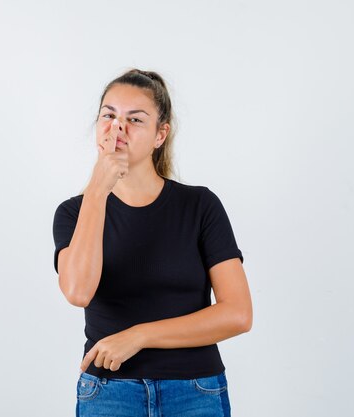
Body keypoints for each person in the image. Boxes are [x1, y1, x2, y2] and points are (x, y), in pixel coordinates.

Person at [52, 68, 253, 417]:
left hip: (195, 391)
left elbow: (237, 314)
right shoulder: (73, 213)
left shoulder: (200, 206)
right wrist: (98, 188)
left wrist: (139, 336)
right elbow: (78, 292)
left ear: (161, 135)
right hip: (109, 392)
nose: (118, 128)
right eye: (109, 115)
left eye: (135, 119)